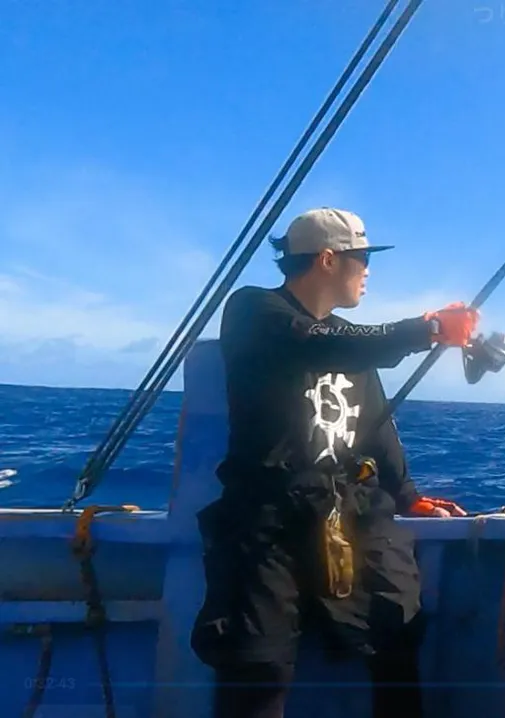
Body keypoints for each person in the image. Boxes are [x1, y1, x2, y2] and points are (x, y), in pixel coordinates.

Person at [190, 206, 476, 718]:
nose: (367, 269)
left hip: (349, 510)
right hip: (266, 520)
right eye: (361, 257)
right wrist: (427, 328)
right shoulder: (254, 311)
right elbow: (311, 343)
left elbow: (377, 428)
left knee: (397, 633)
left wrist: (410, 496)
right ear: (327, 259)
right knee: (259, 666)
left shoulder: (349, 342)